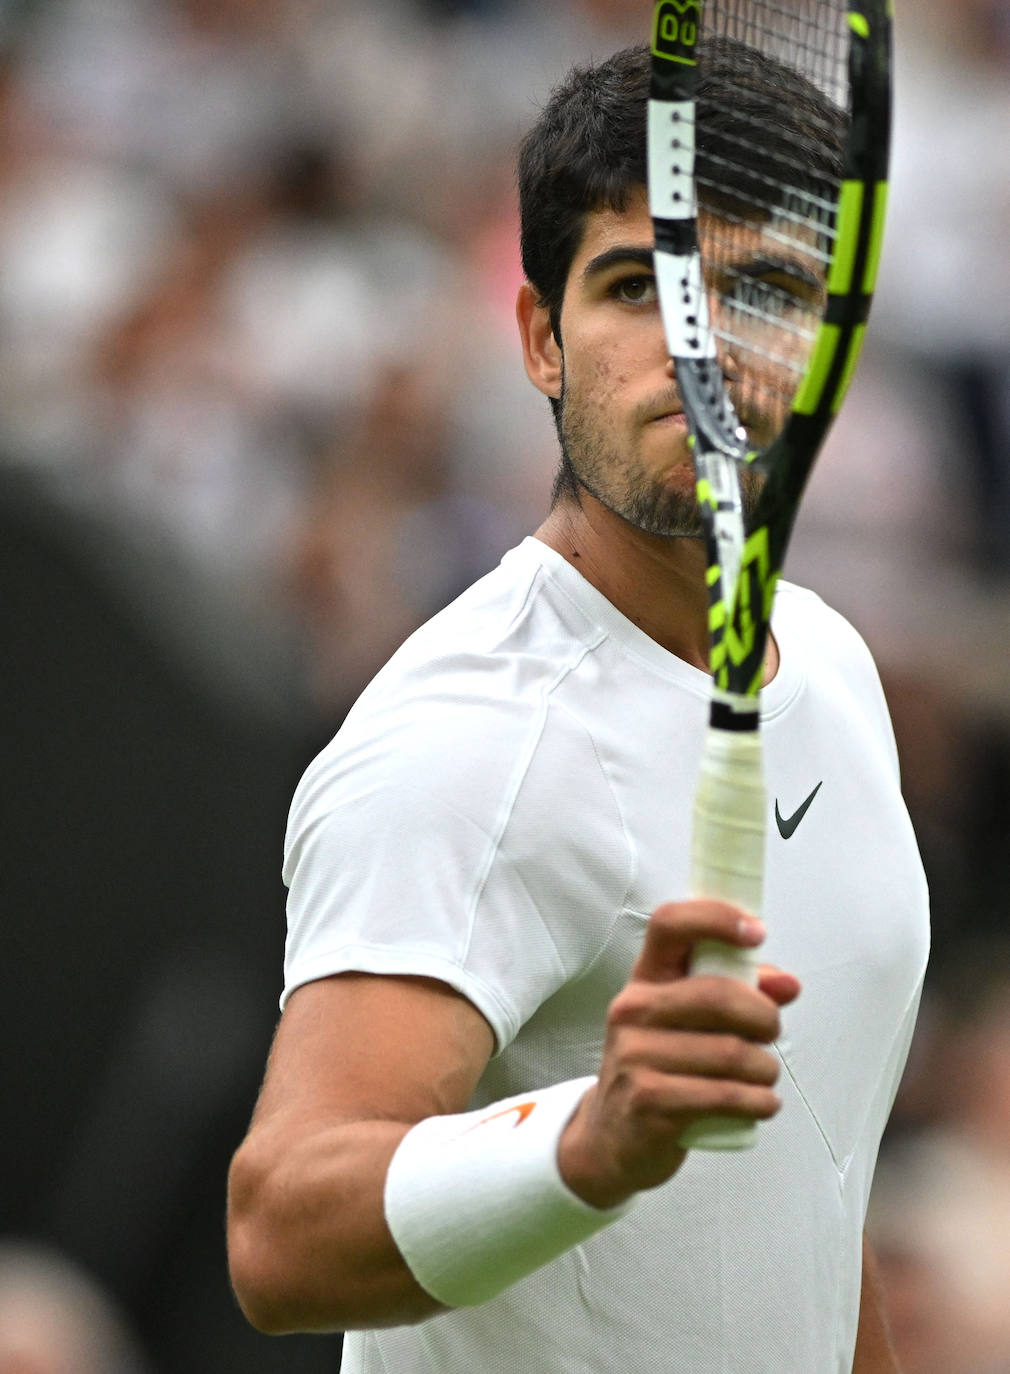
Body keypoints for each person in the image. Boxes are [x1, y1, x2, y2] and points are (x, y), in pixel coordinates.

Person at [227, 41, 930, 1374]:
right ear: (541, 340)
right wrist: (590, 1137)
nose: (699, 344)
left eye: (762, 287)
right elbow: (276, 1232)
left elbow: (809, 1199)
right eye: (635, 285)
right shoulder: (460, 746)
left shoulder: (831, 664)